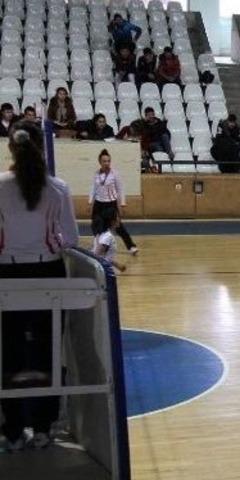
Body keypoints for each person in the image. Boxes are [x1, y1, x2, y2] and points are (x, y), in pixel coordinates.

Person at [0, 120, 79, 452]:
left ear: (10, 147)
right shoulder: (58, 187)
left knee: (10, 352)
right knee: (47, 351)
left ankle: (14, 431)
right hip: (49, 273)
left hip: (7, 274)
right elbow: (71, 239)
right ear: (41, 146)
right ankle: (45, 427)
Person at [89, 149, 138, 255]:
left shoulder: (115, 174)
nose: (106, 163)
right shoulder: (96, 174)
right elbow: (93, 188)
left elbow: (120, 189)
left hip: (110, 204)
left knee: (118, 227)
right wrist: (90, 201)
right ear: (100, 162)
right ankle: (98, 247)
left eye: (108, 161)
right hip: (98, 204)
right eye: (104, 161)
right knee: (97, 227)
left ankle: (131, 246)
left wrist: (122, 203)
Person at [91, 205, 127, 272]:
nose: (119, 219)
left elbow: (103, 256)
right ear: (112, 221)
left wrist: (116, 264)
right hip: (104, 272)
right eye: (117, 217)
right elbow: (96, 255)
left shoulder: (103, 234)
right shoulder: (108, 236)